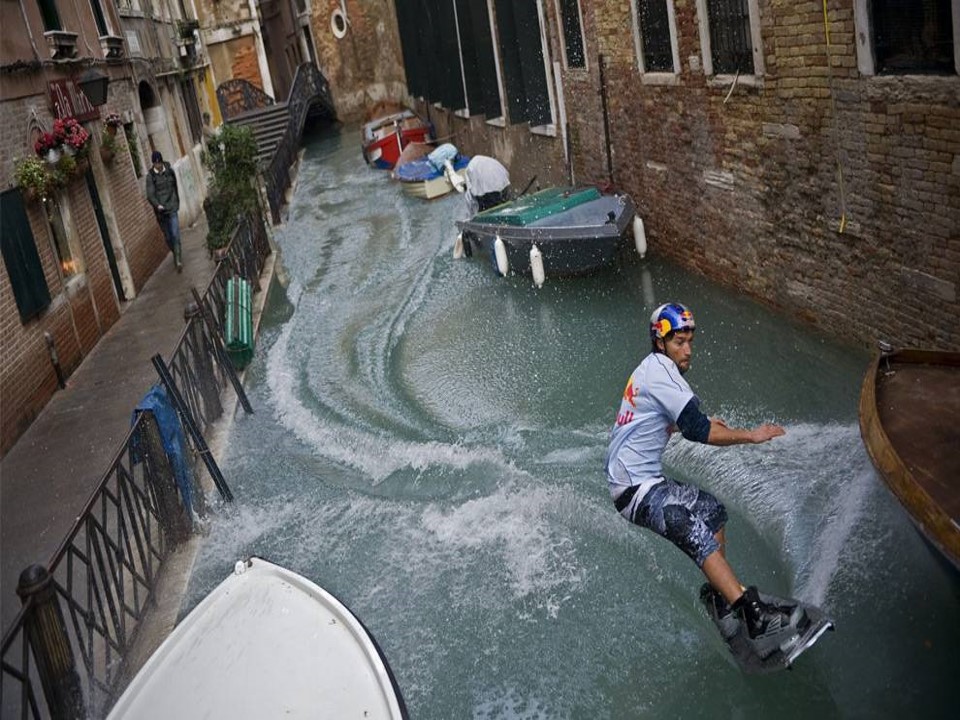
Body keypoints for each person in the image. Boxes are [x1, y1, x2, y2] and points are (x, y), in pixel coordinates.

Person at [604, 302, 801, 658]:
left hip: (647, 481)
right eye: (679, 341)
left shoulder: (657, 369)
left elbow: (671, 418)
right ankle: (751, 614)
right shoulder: (661, 372)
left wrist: (705, 420)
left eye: (690, 340)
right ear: (660, 341)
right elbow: (696, 431)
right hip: (633, 490)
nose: (688, 349)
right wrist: (749, 435)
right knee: (689, 526)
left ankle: (719, 598)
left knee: (712, 513)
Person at [146, 150, 182, 272]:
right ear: (153, 164)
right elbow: (150, 195)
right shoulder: (150, 177)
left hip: (172, 207)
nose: (158, 165)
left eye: (159, 163)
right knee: (168, 236)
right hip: (161, 212)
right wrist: (157, 205)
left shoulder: (169, 171)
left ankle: (178, 260)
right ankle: (175, 251)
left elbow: (175, 187)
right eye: (156, 164)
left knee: (175, 233)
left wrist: (176, 202)